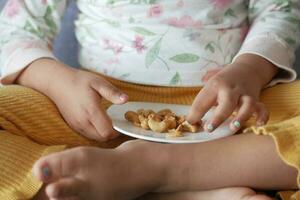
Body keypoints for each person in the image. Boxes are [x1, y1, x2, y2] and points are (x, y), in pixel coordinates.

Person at [0, 0, 300, 199]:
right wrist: (57, 82)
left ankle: (154, 171)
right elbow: (15, 30)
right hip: (96, 109)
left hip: (228, 110)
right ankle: (172, 188)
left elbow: (281, 8)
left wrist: (250, 69)